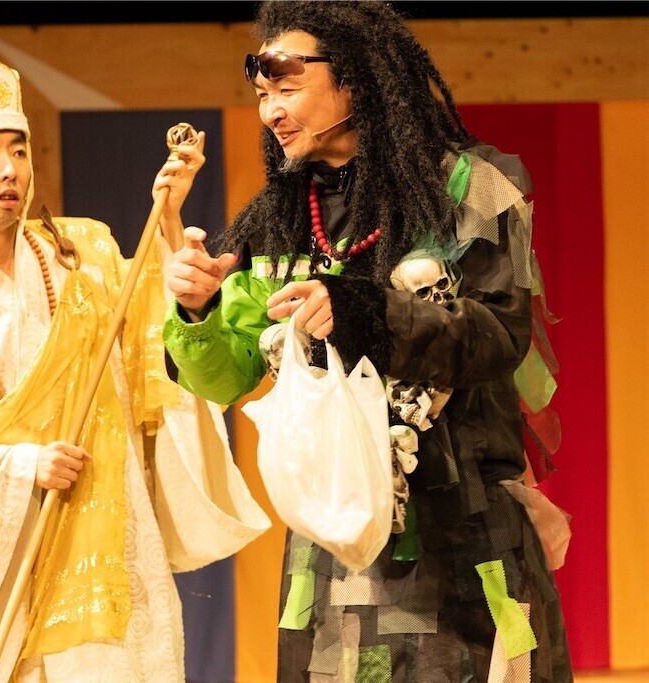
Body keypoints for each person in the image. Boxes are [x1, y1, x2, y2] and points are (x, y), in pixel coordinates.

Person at [163, 2, 573, 681]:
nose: (271, 112)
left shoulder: (468, 188)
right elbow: (223, 378)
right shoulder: (277, 220)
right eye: (262, 95)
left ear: (354, 79)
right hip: (337, 557)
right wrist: (197, 310)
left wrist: (364, 313)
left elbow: (499, 334)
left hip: (465, 537)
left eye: (287, 88)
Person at [0, 59, 270, 683]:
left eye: (18, 149)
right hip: (5, 550)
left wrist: (168, 218)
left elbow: (156, 340)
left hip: (110, 522)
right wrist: (20, 466)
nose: (10, 169)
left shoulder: (82, 256)